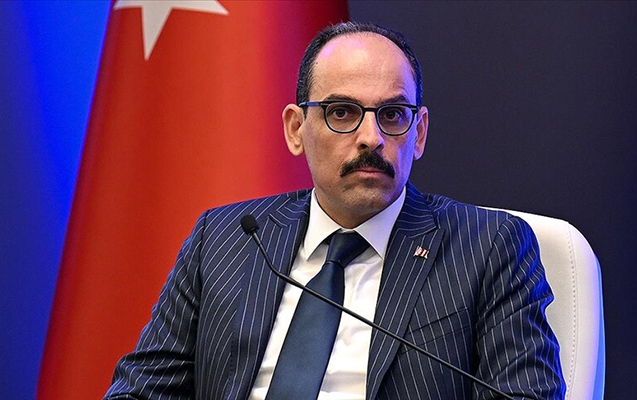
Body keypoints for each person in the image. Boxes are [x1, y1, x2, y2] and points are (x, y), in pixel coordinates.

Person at [105, 22, 565, 399]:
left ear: (419, 133)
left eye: (392, 115)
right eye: (342, 112)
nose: (371, 138)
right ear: (296, 129)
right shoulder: (224, 239)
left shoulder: (487, 247)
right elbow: (140, 391)